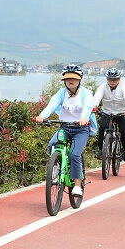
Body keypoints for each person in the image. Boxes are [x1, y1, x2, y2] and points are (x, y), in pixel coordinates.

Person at [33, 65, 96, 198]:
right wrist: (42, 116)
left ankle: (78, 185)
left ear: (79, 80)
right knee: (52, 145)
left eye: (74, 78)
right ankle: (56, 170)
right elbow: (52, 104)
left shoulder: (86, 93)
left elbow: (88, 107)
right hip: (65, 127)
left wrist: (84, 118)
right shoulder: (62, 93)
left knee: (74, 155)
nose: (70, 81)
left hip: (81, 129)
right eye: (67, 78)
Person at [92, 67, 125, 164]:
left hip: (121, 112)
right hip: (107, 112)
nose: (112, 81)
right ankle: (101, 150)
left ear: (119, 79)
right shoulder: (103, 87)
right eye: (110, 79)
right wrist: (94, 106)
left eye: (115, 79)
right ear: (107, 79)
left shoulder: (124, 86)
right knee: (102, 128)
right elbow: (97, 96)